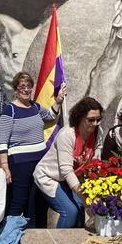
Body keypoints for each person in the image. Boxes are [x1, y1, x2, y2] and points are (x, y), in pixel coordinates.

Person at [0, 72, 64, 224]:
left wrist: (58, 100)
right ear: (15, 89)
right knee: (19, 200)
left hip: (39, 161)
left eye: (29, 87)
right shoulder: (9, 110)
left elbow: (51, 116)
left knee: (37, 202)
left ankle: (35, 234)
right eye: (22, 87)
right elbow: (2, 142)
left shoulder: (35, 107)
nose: (26, 90)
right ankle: (8, 236)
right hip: (19, 164)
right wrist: (5, 167)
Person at [34, 97, 102, 229]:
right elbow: (66, 171)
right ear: (80, 118)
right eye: (91, 120)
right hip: (49, 176)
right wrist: (85, 198)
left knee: (80, 209)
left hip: (70, 179)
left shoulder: (98, 132)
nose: (95, 124)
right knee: (71, 212)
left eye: (98, 119)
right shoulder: (67, 134)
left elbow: (95, 163)